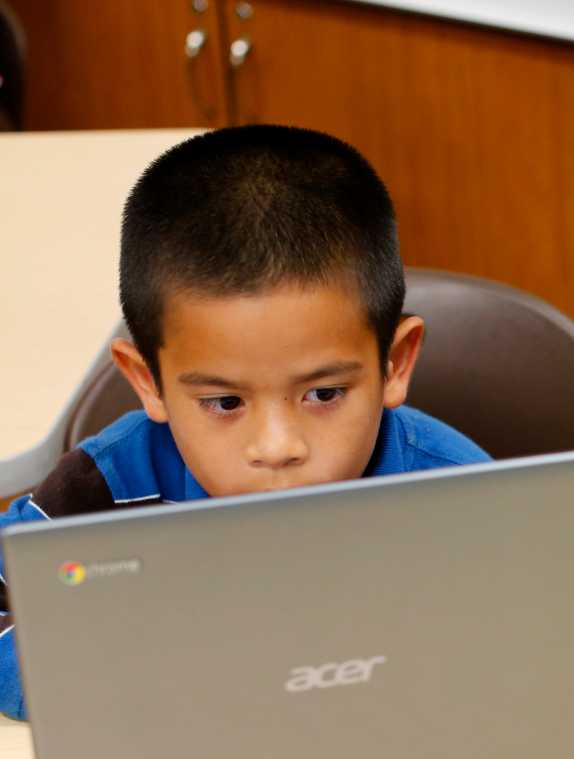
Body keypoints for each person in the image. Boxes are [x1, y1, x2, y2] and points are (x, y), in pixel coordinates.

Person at [0, 125, 488, 720]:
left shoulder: (462, 495)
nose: (276, 447)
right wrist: (80, 682)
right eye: (225, 403)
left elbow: (524, 643)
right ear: (148, 381)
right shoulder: (104, 488)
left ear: (395, 363)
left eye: (324, 393)